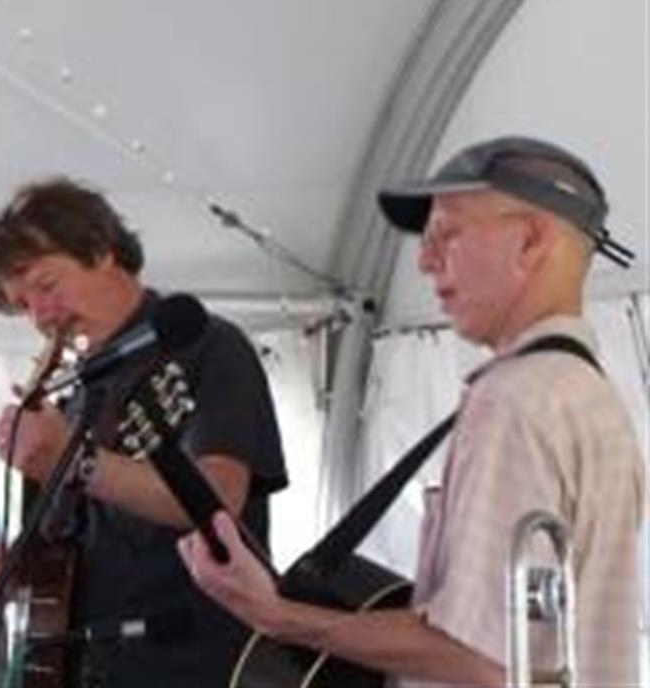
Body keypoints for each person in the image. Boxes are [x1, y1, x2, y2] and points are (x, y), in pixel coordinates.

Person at [178, 136, 646, 686]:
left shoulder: (513, 400)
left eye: (447, 234)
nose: (425, 262)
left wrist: (277, 616)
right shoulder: (589, 394)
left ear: (530, 240)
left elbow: (482, 658)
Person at [0, 177, 288, 688]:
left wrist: (73, 460)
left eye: (46, 286)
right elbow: (67, 544)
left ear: (102, 249)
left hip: (192, 665)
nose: (40, 315)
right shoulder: (74, 389)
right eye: (23, 305)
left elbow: (218, 497)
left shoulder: (208, 345)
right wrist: (6, 565)